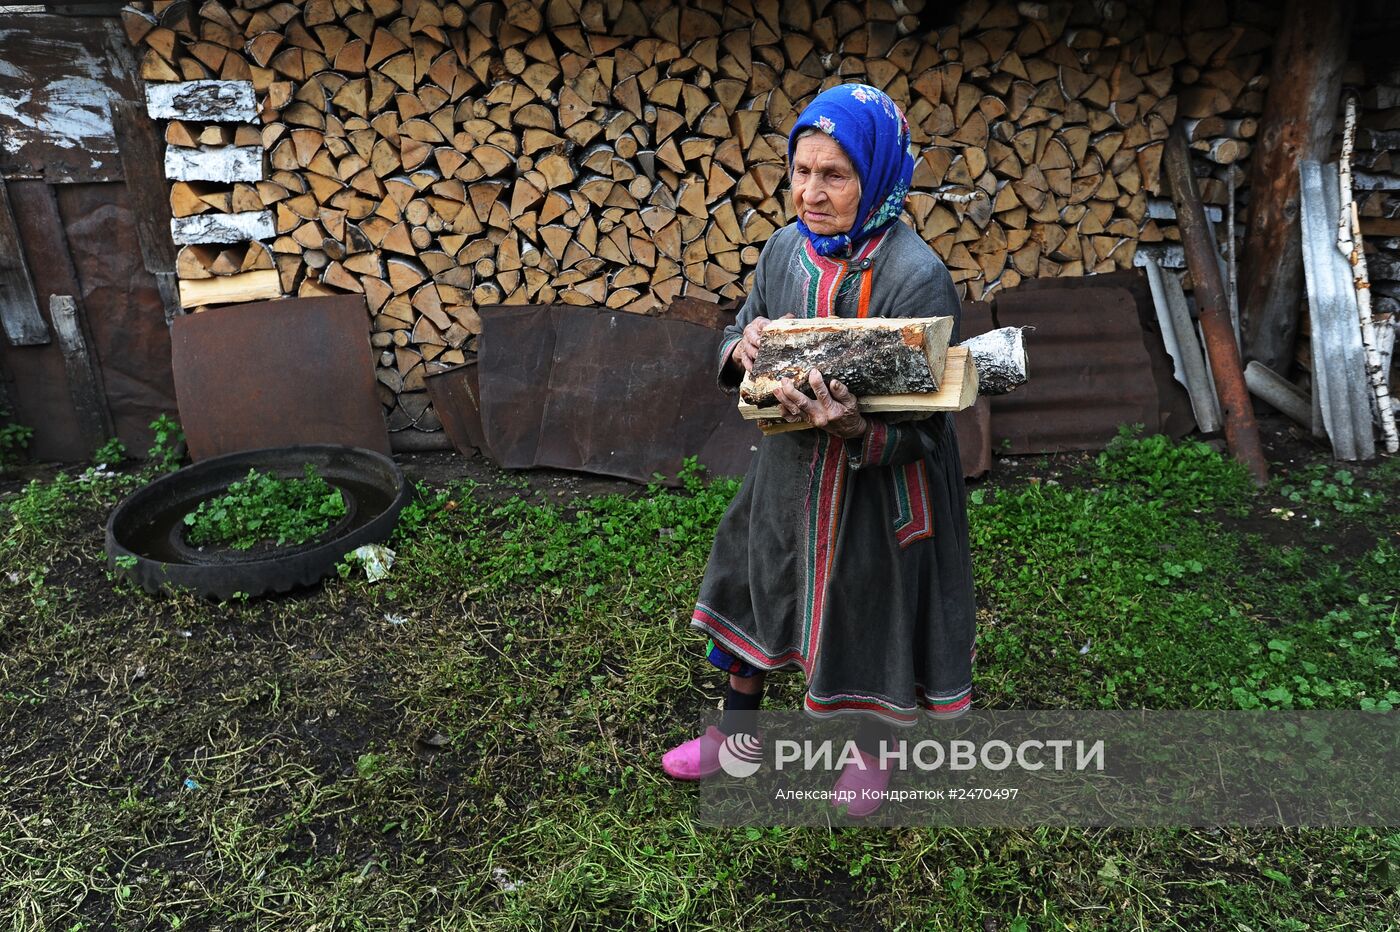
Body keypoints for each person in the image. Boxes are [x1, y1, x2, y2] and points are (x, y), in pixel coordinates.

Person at [661, 83, 977, 817]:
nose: (810, 191)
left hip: (880, 489)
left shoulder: (914, 275)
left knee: (867, 610)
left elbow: (931, 426)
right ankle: (736, 743)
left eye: (833, 174)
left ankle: (872, 756)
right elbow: (745, 330)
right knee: (758, 589)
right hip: (787, 474)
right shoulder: (783, 251)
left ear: (877, 175)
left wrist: (859, 431)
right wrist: (742, 348)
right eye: (800, 171)